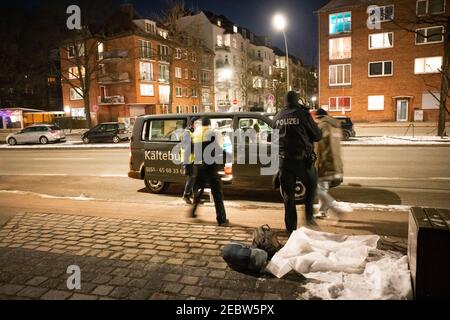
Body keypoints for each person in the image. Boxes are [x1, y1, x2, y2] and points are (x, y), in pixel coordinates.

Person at [273, 91, 322, 233]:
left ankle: (291, 228)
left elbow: (275, 140)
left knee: (288, 196)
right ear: (297, 100)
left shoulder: (277, 116)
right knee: (312, 185)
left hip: (284, 162)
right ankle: (308, 219)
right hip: (302, 161)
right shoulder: (302, 114)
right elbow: (317, 136)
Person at [190, 117, 229, 227]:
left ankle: (193, 212)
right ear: (209, 124)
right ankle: (222, 219)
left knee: (200, 188)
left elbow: (192, 149)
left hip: (199, 166)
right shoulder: (211, 132)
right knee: (217, 193)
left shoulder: (196, 133)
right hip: (210, 167)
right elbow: (216, 148)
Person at [314, 109, 352, 219]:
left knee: (317, 189)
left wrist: (316, 163)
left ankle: (336, 209)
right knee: (323, 188)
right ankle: (323, 212)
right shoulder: (335, 126)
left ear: (319, 117)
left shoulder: (322, 126)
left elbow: (319, 147)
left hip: (325, 163)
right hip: (336, 161)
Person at [181, 118, 197, 204]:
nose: (196, 126)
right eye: (195, 124)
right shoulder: (187, 133)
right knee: (191, 177)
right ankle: (186, 195)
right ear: (191, 124)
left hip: (192, 159)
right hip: (188, 160)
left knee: (193, 177)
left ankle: (191, 194)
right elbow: (187, 148)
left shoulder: (190, 133)